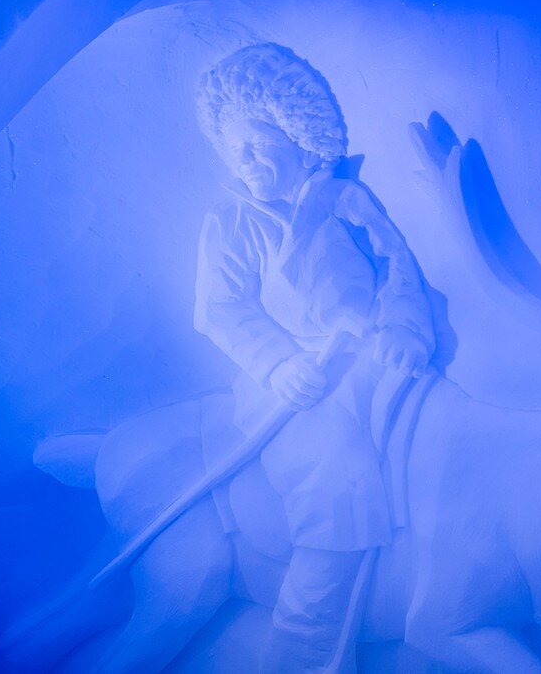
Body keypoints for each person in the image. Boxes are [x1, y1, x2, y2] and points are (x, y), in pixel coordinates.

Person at [193, 43, 443, 672]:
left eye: (256, 143)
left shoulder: (346, 200)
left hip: (374, 363)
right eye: (233, 148)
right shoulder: (233, 219)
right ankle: (304, 654)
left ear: (299, 138)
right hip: (290, 387)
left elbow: (398, 270)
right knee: (338, 483)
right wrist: (278, 364)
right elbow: (220, 307)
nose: (242, 159)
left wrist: (404, 329)